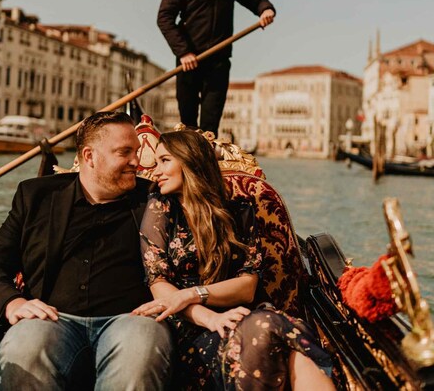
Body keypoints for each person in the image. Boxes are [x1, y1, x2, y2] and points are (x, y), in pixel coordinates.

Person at [0, 111, 173, 390]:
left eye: (136, 151)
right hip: (52, 321)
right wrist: (13, 303)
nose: (137, 162)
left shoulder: (155, 198)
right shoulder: (36, 197)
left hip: (130, 321)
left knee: (140, 349)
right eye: (124, 152)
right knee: (22, 349)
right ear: (89, 157)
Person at [132, 130, 335, 390]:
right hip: (190, 326)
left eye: (165, 161)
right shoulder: (160, 208)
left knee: (275, 339)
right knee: (274, 336)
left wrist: (192, 293)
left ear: (191, 161)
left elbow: (247, 287)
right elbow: (159, 285)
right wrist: (210, 318)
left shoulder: (239, 211)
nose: (154, 171)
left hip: (241, 314)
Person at [157, 0, 276, 138]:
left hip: (218, 62)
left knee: (210, 128)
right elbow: (164, 17)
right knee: (188, 127)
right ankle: (187, 166)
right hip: (189, 62)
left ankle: (207, 166)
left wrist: (266, 10)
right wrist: (183, 52)